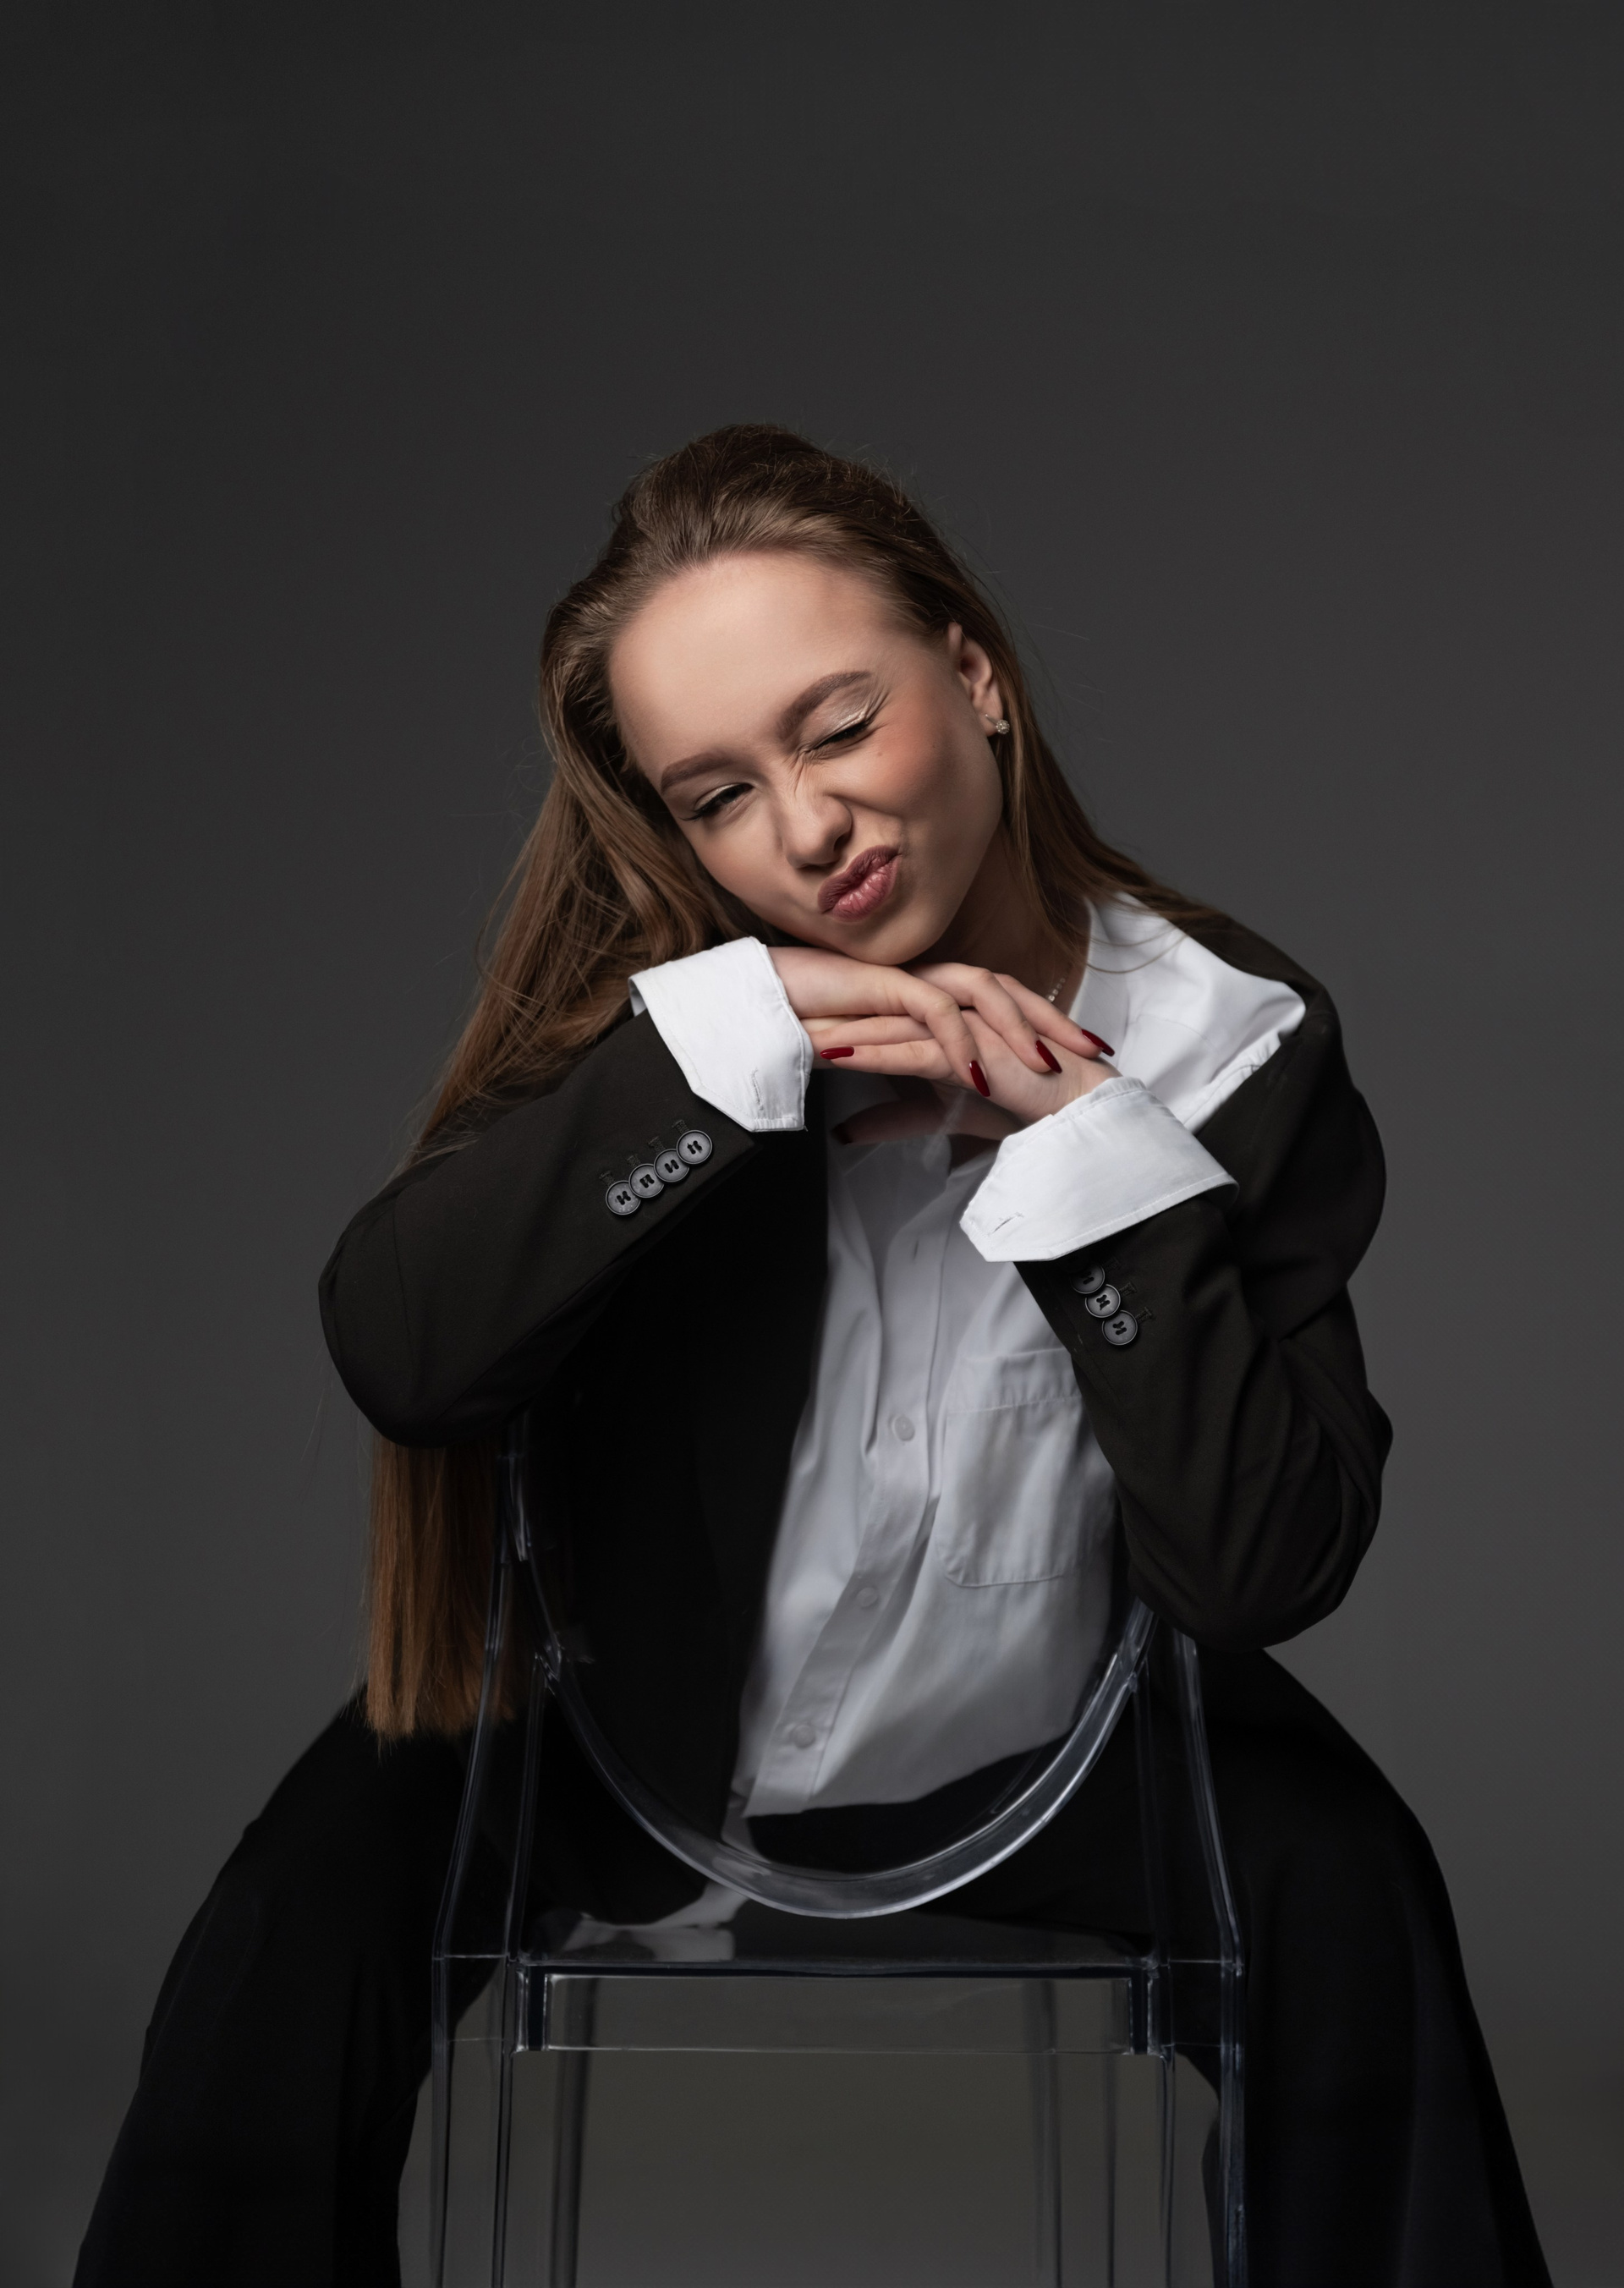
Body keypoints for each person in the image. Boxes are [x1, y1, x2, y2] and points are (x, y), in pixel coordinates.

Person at [76, 425, 1550, 2287]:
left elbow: (1263, 1566)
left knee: (1352, 1889)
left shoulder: (1232, 1044)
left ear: (977, 675)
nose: (804, 830)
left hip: (1054, 1757)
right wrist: (719, 1063)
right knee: (286, 1929)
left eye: (838, 727)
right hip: (620, 1739)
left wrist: (1095, 1165)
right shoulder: (672, 1032)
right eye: (720, 793)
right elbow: (405, 1354)